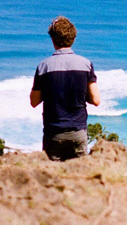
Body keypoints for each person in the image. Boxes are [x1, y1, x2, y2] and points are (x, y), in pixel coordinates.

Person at [30, 16, 101, 160]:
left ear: (52, 39)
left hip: (54, 132)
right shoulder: (86, 64)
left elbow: (34, 102)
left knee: (54, 177)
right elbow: (96, 100)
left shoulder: (44, 66)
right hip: (78, 131)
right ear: (73, 39)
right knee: (79, 176)